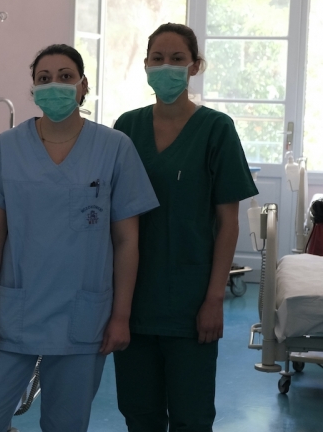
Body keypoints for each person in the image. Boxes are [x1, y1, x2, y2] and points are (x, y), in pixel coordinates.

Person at [0, 44, 159, 432]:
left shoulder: (114, 147)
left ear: (83, 86)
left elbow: (127, 242)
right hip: (14, 312)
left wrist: (120, 316)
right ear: (33, 89)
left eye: (66, 76)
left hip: (83, 314)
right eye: (44, 78)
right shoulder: (9, 147)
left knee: (66, 424)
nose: (55, 85)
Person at [112, 23, 258, 432]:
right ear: (145, 65)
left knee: (191, 418)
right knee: (139, 414)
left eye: (177, 58)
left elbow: (228, 222)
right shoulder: (126, 128)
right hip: (132, 301)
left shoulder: (216, 129)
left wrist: (214, 298)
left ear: (195, 66)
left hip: (191, 303)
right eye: (157, 58)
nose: (166, 66)